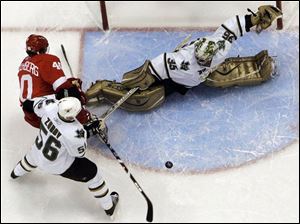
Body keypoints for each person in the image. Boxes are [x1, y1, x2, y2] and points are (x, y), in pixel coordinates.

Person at [85, 5, 282, 112]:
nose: (202, 59)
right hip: (176, 79)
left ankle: (254, 68)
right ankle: (105, 89)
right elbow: (149, 71)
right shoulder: (179, 62)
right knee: (145, 99)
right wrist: (138, 80)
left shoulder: (219, 46)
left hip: (190, 80)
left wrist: (255, 19)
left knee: (217, 78)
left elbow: (233, 27)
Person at [10, 97, 118, 218]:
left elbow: (28, 105)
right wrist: (90, 130)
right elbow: (78, 154)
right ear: (71, 116)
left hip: (36, 152)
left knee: (31, 159)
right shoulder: (75, 132)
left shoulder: (50, 106)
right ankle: (109, 206)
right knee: (93, 173)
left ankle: (15, 173)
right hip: (57, 166)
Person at [18, 34, 90, 128]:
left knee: (67, 86)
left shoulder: (24, 62)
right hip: (46, 110)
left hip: (30, 113)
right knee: (71, 90)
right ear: (42, 49)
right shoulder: (46, 60)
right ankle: (85, 121)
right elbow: (62, 87)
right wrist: (77, 92)